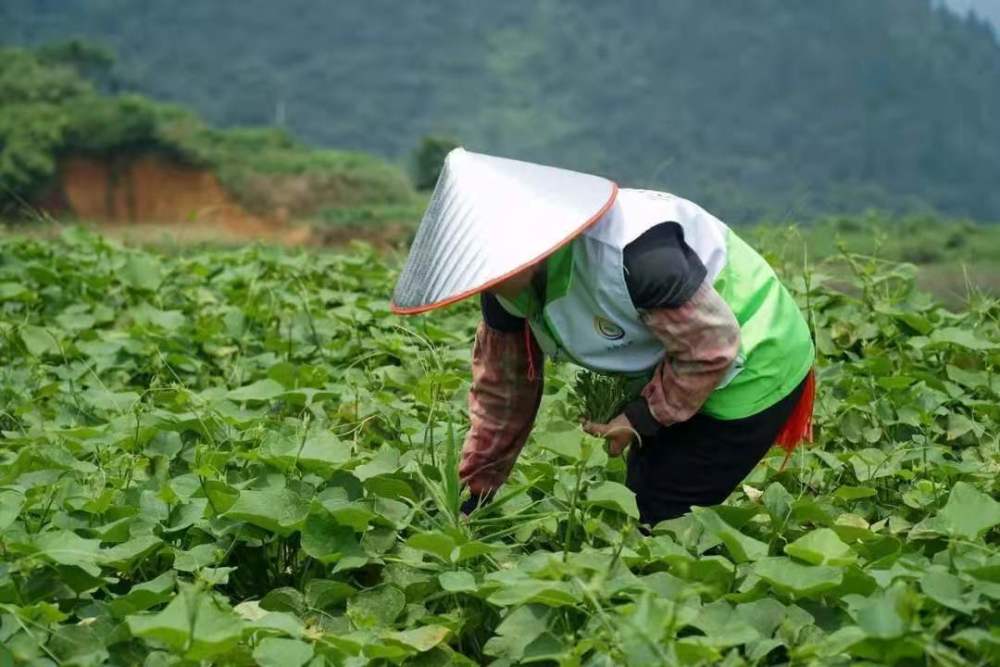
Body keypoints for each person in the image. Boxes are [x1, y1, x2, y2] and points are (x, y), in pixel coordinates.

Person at [391, 148, 815, 527]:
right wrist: (475, 491)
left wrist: (640, 418)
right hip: (679, 362)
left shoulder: (639, 257)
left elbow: (711, 349)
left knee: (662, 516)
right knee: (640, 498)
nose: (487, 280)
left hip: (755, 358)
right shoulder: (504, 291)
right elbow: (504, 392)